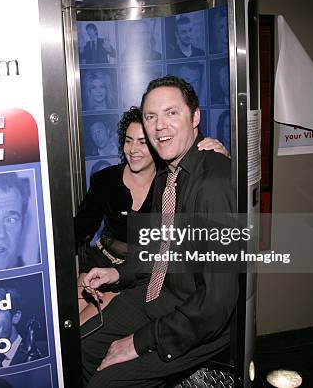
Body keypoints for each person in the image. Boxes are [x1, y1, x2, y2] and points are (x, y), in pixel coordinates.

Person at [81, 75, 239, 387]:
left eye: (171, 113)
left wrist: (139, 342)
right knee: (83, 349)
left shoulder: (213, 183)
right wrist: (119, 275)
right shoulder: (167, 175)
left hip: (196, 316)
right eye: (151, 116)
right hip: (157, 294)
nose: (159, 126)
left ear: (195, 117)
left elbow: (216, 303)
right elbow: (156, 252)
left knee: (107, 382)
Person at [76, 107, 228, 325]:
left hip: (140, 273)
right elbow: (80, 229)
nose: (133, 150)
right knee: (67, 324)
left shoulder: (173, 182)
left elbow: (209, 186)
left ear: (158, 145)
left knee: (87, 329)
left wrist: (222, 158)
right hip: (102, 261)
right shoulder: (105, 180)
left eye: (142, 142)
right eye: (128, 141)